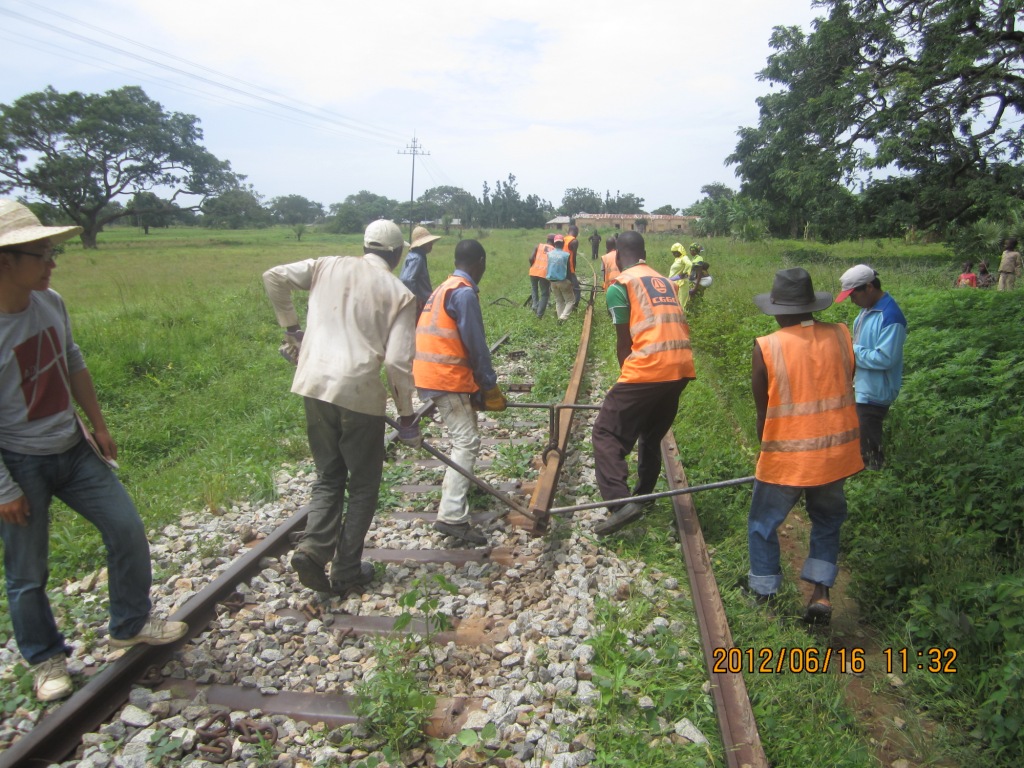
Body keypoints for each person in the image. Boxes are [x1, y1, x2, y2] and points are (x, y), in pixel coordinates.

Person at [0, 199, 187, 703]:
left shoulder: (50, 302)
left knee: (126, 528)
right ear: (5, 262)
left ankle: (129, 622)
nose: (52, 263)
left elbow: (71, 359)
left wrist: (99, 426)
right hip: (18, 461)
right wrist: (4, 487)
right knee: (26, 571)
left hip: (72, 446)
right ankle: (45, 659)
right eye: (41, 254)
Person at [263, 219, 422, 596]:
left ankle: (315, 550)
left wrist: (291, 328)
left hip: (314, 386)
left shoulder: (326, 264)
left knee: (329, 475)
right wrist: (405, 414)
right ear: (397, 254)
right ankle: (347, 568)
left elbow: (273, 276)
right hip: (359, 396)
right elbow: (397, 363)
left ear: (364, 245)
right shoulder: (399, 293)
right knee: (364, 485)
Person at [747, 267, 864, 625]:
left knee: (763, 523)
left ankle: (764, 595)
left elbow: (762, 413)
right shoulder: (842, 336)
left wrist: (763, 451)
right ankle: (821, 595)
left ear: (778, 309)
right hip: (835, 454)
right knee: (827, 520)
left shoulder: (767, 347)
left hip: (787, 458)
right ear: (812, 306)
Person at [592, 231, 696, 536]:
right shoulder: (664, 280)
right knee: (651, 435)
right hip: (681, 367)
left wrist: (627, 379)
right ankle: (643, 498)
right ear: (643, 252)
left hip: (650, 366)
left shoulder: (620, 285)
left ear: (616, 255)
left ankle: (618, 502)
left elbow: (624, 344)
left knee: (606, 432)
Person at [414, 239, 506, 546]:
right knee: (466, 441)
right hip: (445, 375)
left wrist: (477, 388)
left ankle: (460, 491)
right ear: (479, 261)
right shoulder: (464, 293)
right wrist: (489, 385)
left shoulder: (444, 287)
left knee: (464, 437)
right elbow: (476, 345)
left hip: (433, 373)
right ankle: (452, 515)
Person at [834, 264, 907, 470]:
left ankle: (874, 475)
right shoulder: (867, 310)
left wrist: (850, 350)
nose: (852, 299)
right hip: (862, 386)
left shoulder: (890, 317)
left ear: (868, 287)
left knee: (868, 442)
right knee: (858, 436)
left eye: (853, 294)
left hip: (875, 391)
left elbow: (885, 358)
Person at [398, 226, 441, 313]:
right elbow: (407, 279)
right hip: (421, 304)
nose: (431, 244)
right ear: (422, 244)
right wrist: (415, 299)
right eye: (428, 242)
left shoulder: (413, 256)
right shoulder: (417, 258)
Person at [546, 235, 575, 321]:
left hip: (552, 281)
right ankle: (563, 317)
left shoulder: (549, 254)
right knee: (570, 301)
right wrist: (571, 281)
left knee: (559, 301)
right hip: (563, 280)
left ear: (554, 244)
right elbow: (569, 270)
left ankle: (560, 319)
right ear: (563, 244)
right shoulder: (566, 255)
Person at [528, 234, 554, 318]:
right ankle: (539, 315)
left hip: (534, 271)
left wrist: (533, 266)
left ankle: (535, 306)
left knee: (534, 288)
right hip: (544, 273)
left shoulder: (538, 246)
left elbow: (531, 258)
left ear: (547, 239)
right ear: (554, 241)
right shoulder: (554, 250)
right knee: (545, 294)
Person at [564, 225, 582, 309]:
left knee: (565, 286)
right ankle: (575, 306)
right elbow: (573, 258)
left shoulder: (563, 239)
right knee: (577, 289)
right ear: (576, 232)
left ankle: (566, 302)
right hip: (569, 268)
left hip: (561, 268)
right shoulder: (574, 241)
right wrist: (573, 271)